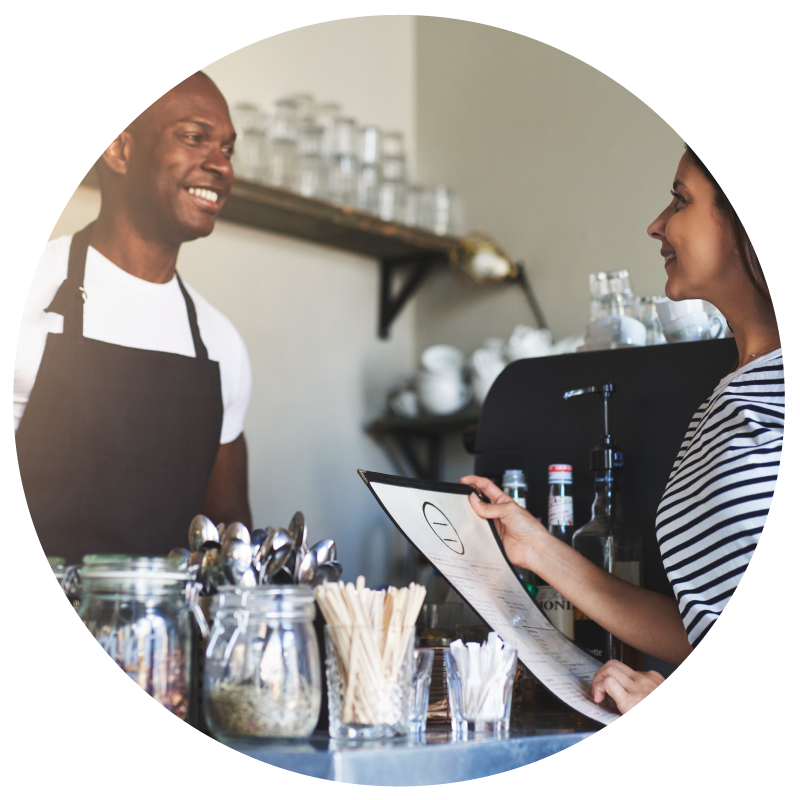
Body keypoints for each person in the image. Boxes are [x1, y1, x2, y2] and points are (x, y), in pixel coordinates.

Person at [461, 144, 782, 714]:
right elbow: (699, 623)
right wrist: (536, 546)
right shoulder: (729, 392)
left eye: (680, 200)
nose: (656, 224)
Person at [15, 72, 253, 564]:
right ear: (119, 150)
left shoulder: (220, 343)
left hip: (160, 639)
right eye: (194, 137)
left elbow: (231, 540)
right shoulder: (36, 291)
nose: (221, 166)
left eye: (228, 149)